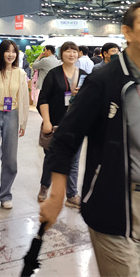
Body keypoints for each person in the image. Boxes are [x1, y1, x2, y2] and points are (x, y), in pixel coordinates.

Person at [40, 0, 140, 277]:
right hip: (112, 200)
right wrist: (56, 195)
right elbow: (66, 137)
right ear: (127, 32)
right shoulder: (104, 80)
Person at [37, 41, 86, 207]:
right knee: (51, 158)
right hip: (55, 124)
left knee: (73, 160)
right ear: (61, 54)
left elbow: (91, 101)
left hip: (76, 125)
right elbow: (43, 99)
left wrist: (82, 95)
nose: (71, 54)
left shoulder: (84, 75)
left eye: (74, 51)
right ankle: (45, 186)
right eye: (68, 51)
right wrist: (47, 121)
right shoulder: (54, 74)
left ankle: (72, 195)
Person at [0, 40, 29, 211]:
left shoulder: (20, 73)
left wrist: (23, 121)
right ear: (0, 53)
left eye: (14, 51)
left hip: (12, 116)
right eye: (7, 51)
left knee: (10, 159)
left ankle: (6, 195)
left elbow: (23, 98)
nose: (11, 55)